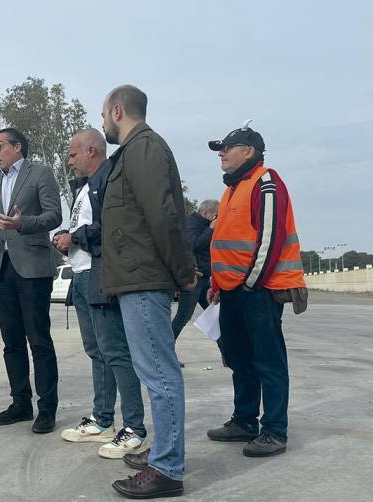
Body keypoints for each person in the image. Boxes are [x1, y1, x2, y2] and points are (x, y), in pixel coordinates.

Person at [99, 85, 198, 499]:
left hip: (145, 279)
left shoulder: (144, 149)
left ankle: (167, 469)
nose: (102, 121)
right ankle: (164, 450)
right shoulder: (136, 150)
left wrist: (184, 271)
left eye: (104, 113)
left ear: (117, 110)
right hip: (134, 278)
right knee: (153, 370)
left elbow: (163, 216)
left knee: (159, 374)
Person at [205, 122, 307, 457]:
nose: (221, 153)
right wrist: (217, 283)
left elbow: (271, 237)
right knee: (238, 357)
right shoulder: (232, 188)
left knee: (268, 359)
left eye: (227, 147)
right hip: (233, 290)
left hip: (259, 291)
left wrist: (250, 284)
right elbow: (227, 242)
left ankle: (275, 430)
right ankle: (245, 420)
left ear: (249, 151)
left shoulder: (266, 181)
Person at [53, 128, 147, 459]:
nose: (69, 159)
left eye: (73, 153)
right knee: (97, 351)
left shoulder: (109, 180)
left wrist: (74, 238)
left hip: (100, 274)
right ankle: (103, 419)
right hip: (80, 276)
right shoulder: (84, 187)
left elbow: (113, 228)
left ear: (92, 150)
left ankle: (134, 427)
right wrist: (68, 236)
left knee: (116, 352)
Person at [0, 127, 62, 433]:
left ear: (17, 147)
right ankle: (20, 403)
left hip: (33, 267)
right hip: (0, 269)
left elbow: (54, 216)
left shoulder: (41, 174)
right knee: (11, 343)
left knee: (39, 340)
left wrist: (25, 223)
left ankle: (46, 409)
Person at [172, 199, 220, 364]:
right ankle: (166, 354)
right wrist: (211, 230)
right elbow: (192, 244)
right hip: (194, 279)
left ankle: (228, 354)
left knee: (215, 316)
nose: (216, 218)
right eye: (215, 215)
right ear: (205, 213)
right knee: (183, 316)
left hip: (205, 278)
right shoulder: (192, 223)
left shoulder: (205, 226)